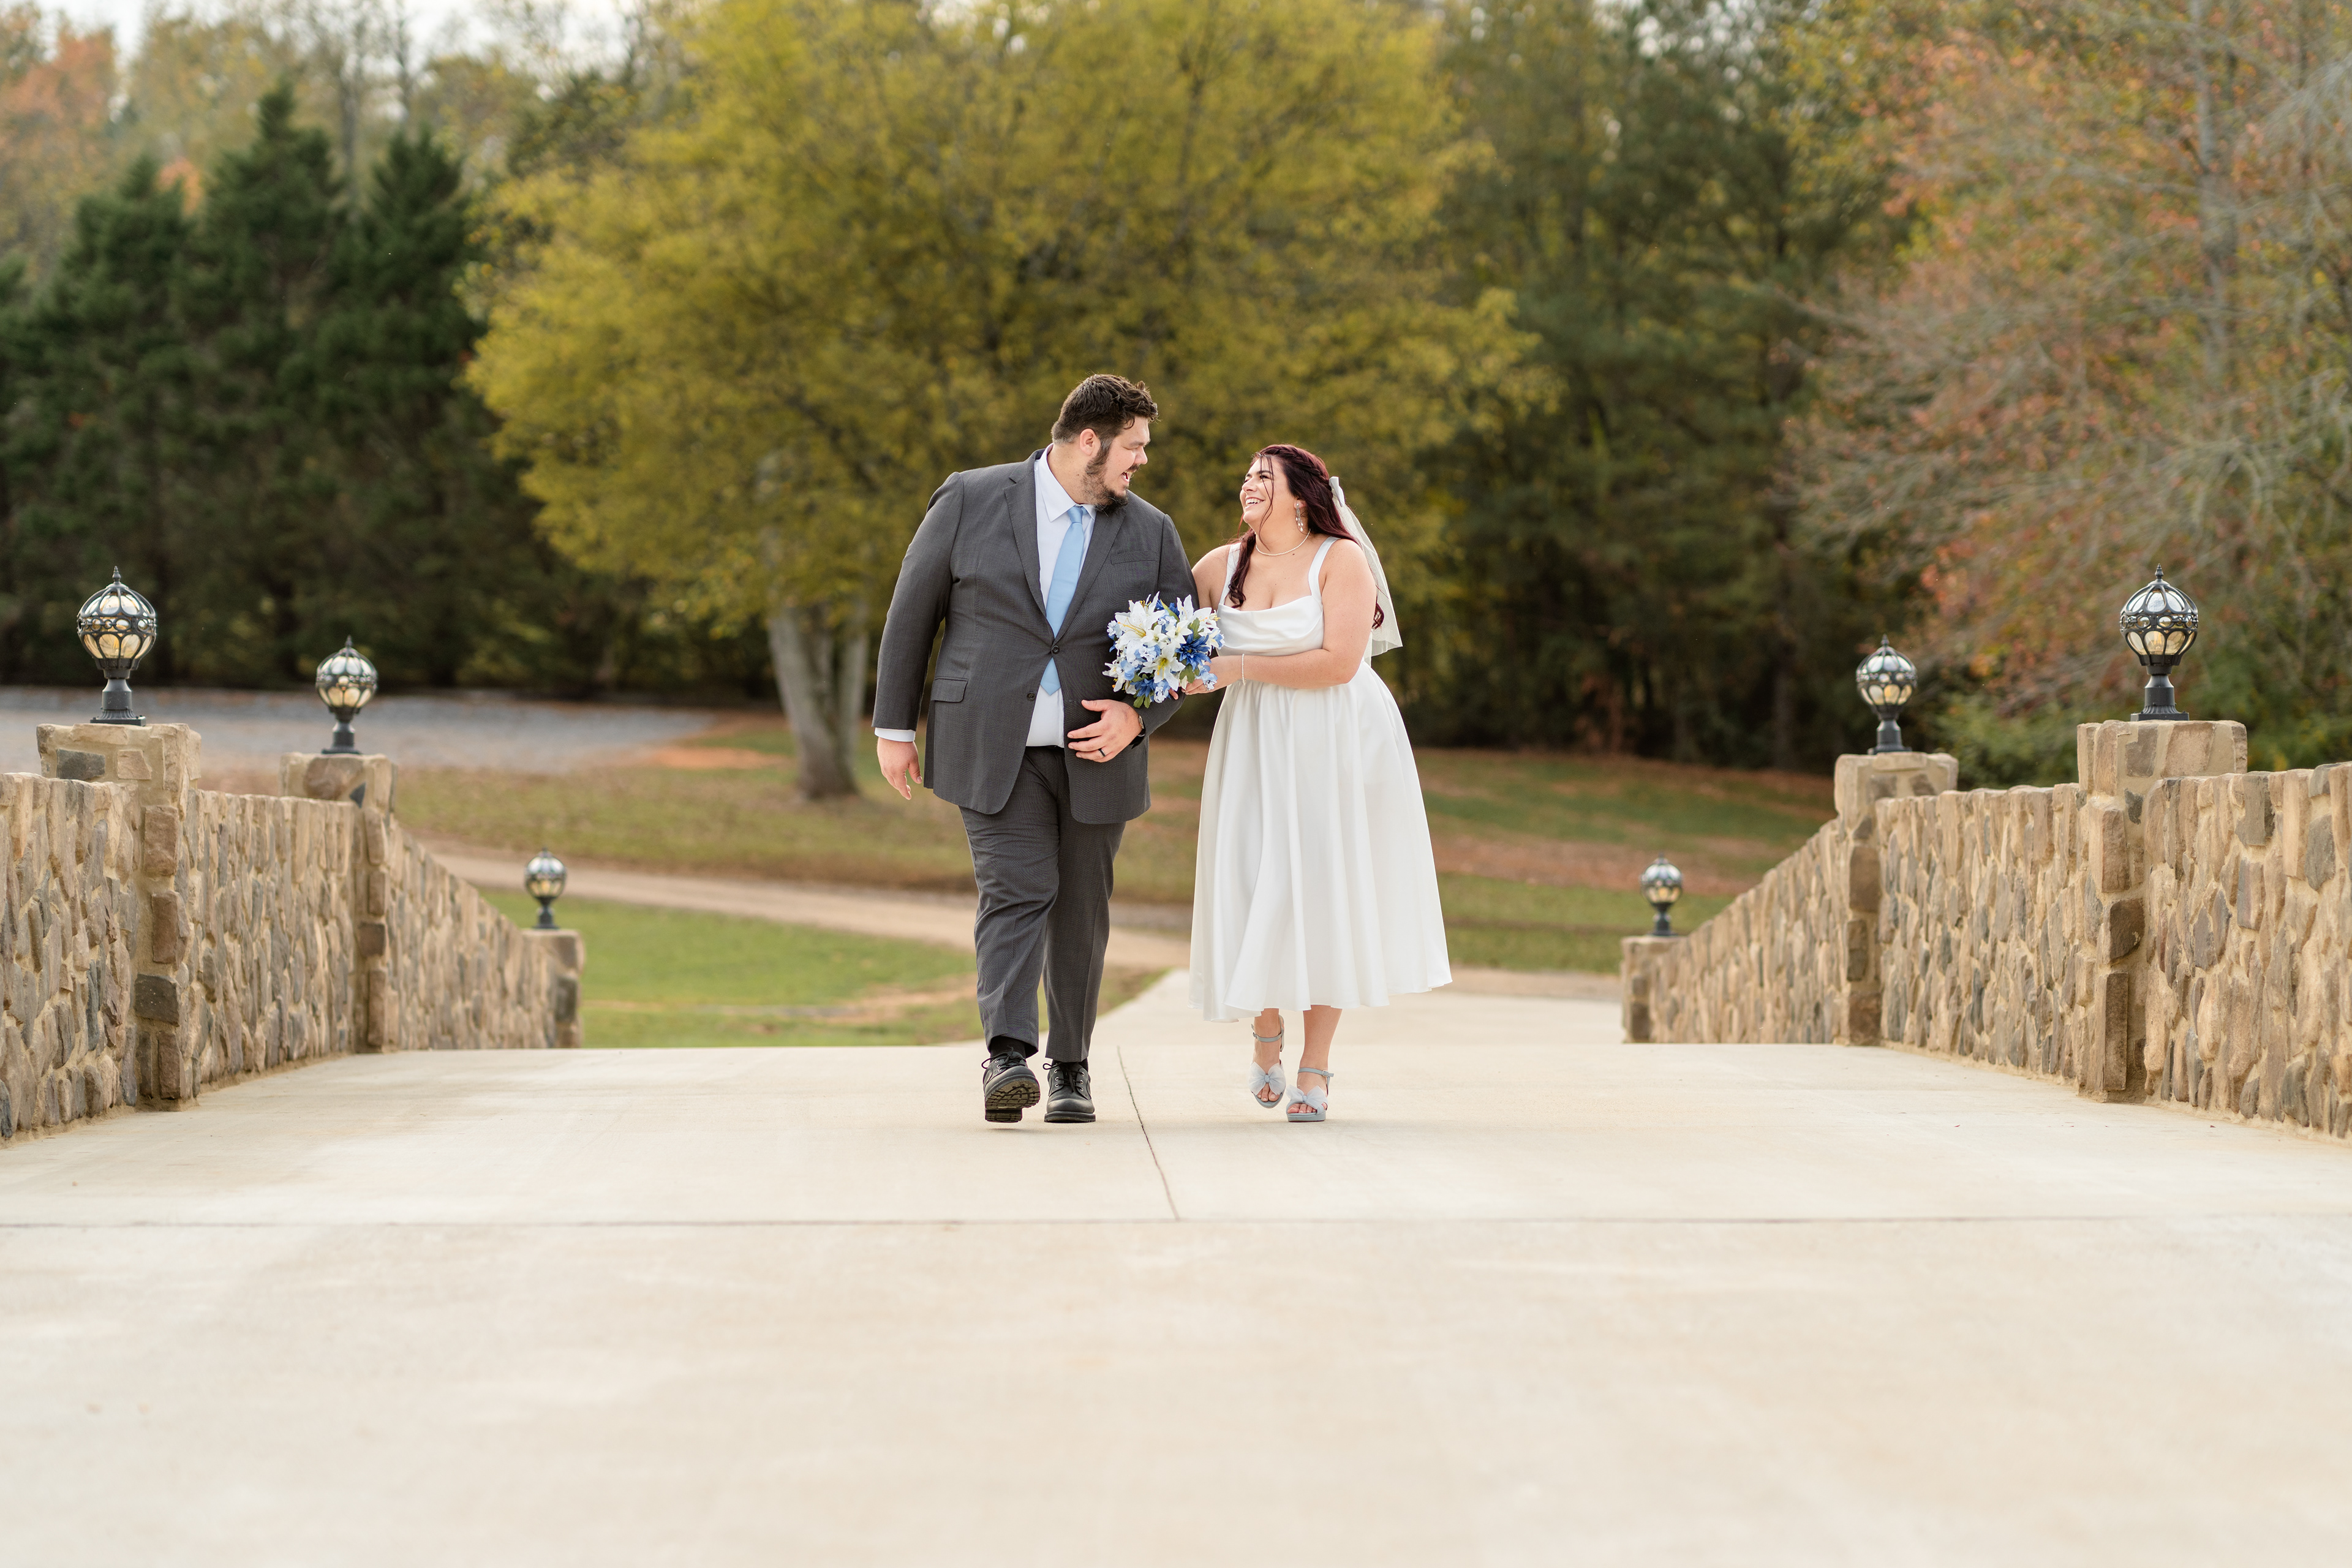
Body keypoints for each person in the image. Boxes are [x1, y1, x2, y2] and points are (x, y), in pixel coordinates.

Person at [873, 374, 1197, 1125]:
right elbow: (911, 610)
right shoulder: (969, 497)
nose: (1141, 462)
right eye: (1135, 446)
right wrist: (895, 728)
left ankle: (1074, 1067)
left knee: (1082, 909)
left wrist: (1138, 718)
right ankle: (1009, 1056)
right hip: (993, 746)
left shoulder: (1152, 531)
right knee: (1016, 890)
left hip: (1098, 756)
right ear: (1091, 440)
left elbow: (1185, 653)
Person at [1184, 444, 1450, 1121]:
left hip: (1333, 737)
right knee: (1251, 877)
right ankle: (1266, 1029)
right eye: (1244, 474)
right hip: (1250, 743)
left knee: (1322, 888)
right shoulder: (1219, 567)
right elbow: (1176, 640)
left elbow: (1338, 662)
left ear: (1301, 494)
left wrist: (1238, 669)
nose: (1247, 484)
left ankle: (1316, 1063)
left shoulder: (1342, 560)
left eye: (1262, 477)